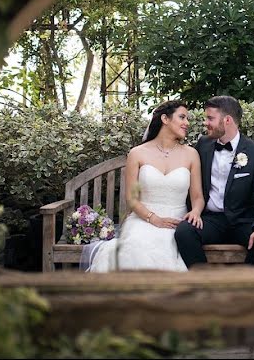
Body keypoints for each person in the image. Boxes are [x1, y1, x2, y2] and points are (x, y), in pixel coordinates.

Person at [86, 100, 204, 272]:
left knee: (171, 247)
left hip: (177, 223)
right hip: (144, 219)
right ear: (165, 119)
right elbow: (132, 199)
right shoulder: (137, 153)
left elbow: (198, 197)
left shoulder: (191, 154)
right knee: (137, 246)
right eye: (182, 117)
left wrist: (195, 211)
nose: (187, 123)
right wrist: (153, 218)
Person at [174, 96, 254, 267]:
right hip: (211, 220)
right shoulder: (203, 145)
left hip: (243, 220)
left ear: (227, 120)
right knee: (185, 232)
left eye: (210, 118)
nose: (205, 123)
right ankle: (206, 285)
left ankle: (244, 288)